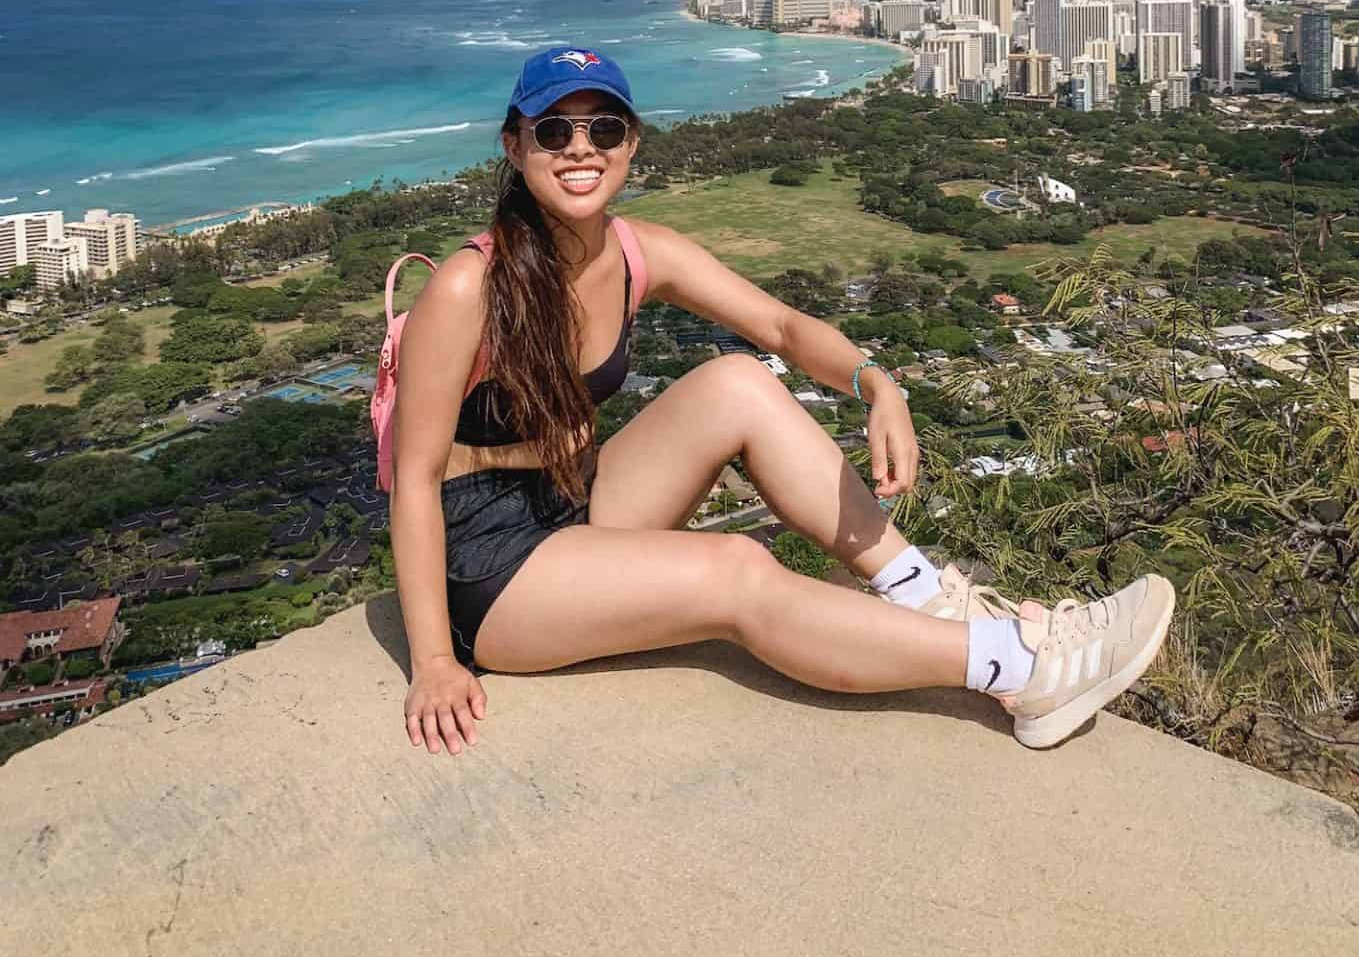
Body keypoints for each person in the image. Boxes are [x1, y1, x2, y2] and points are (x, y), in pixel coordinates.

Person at [389, 45, 1174, 758]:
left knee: (739, 380)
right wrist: (431, 662)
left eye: (603, 127)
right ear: (514, 145)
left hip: (573, 500)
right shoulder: (470, 287)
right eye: (553, 132)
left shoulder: (637, 252)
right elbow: (416, 479)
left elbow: (780, 326)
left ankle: (928, 599)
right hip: (488, 562)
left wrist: (877, 381)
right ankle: (1020, 666)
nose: (581, 148)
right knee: (735, 567)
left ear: (632, 144)